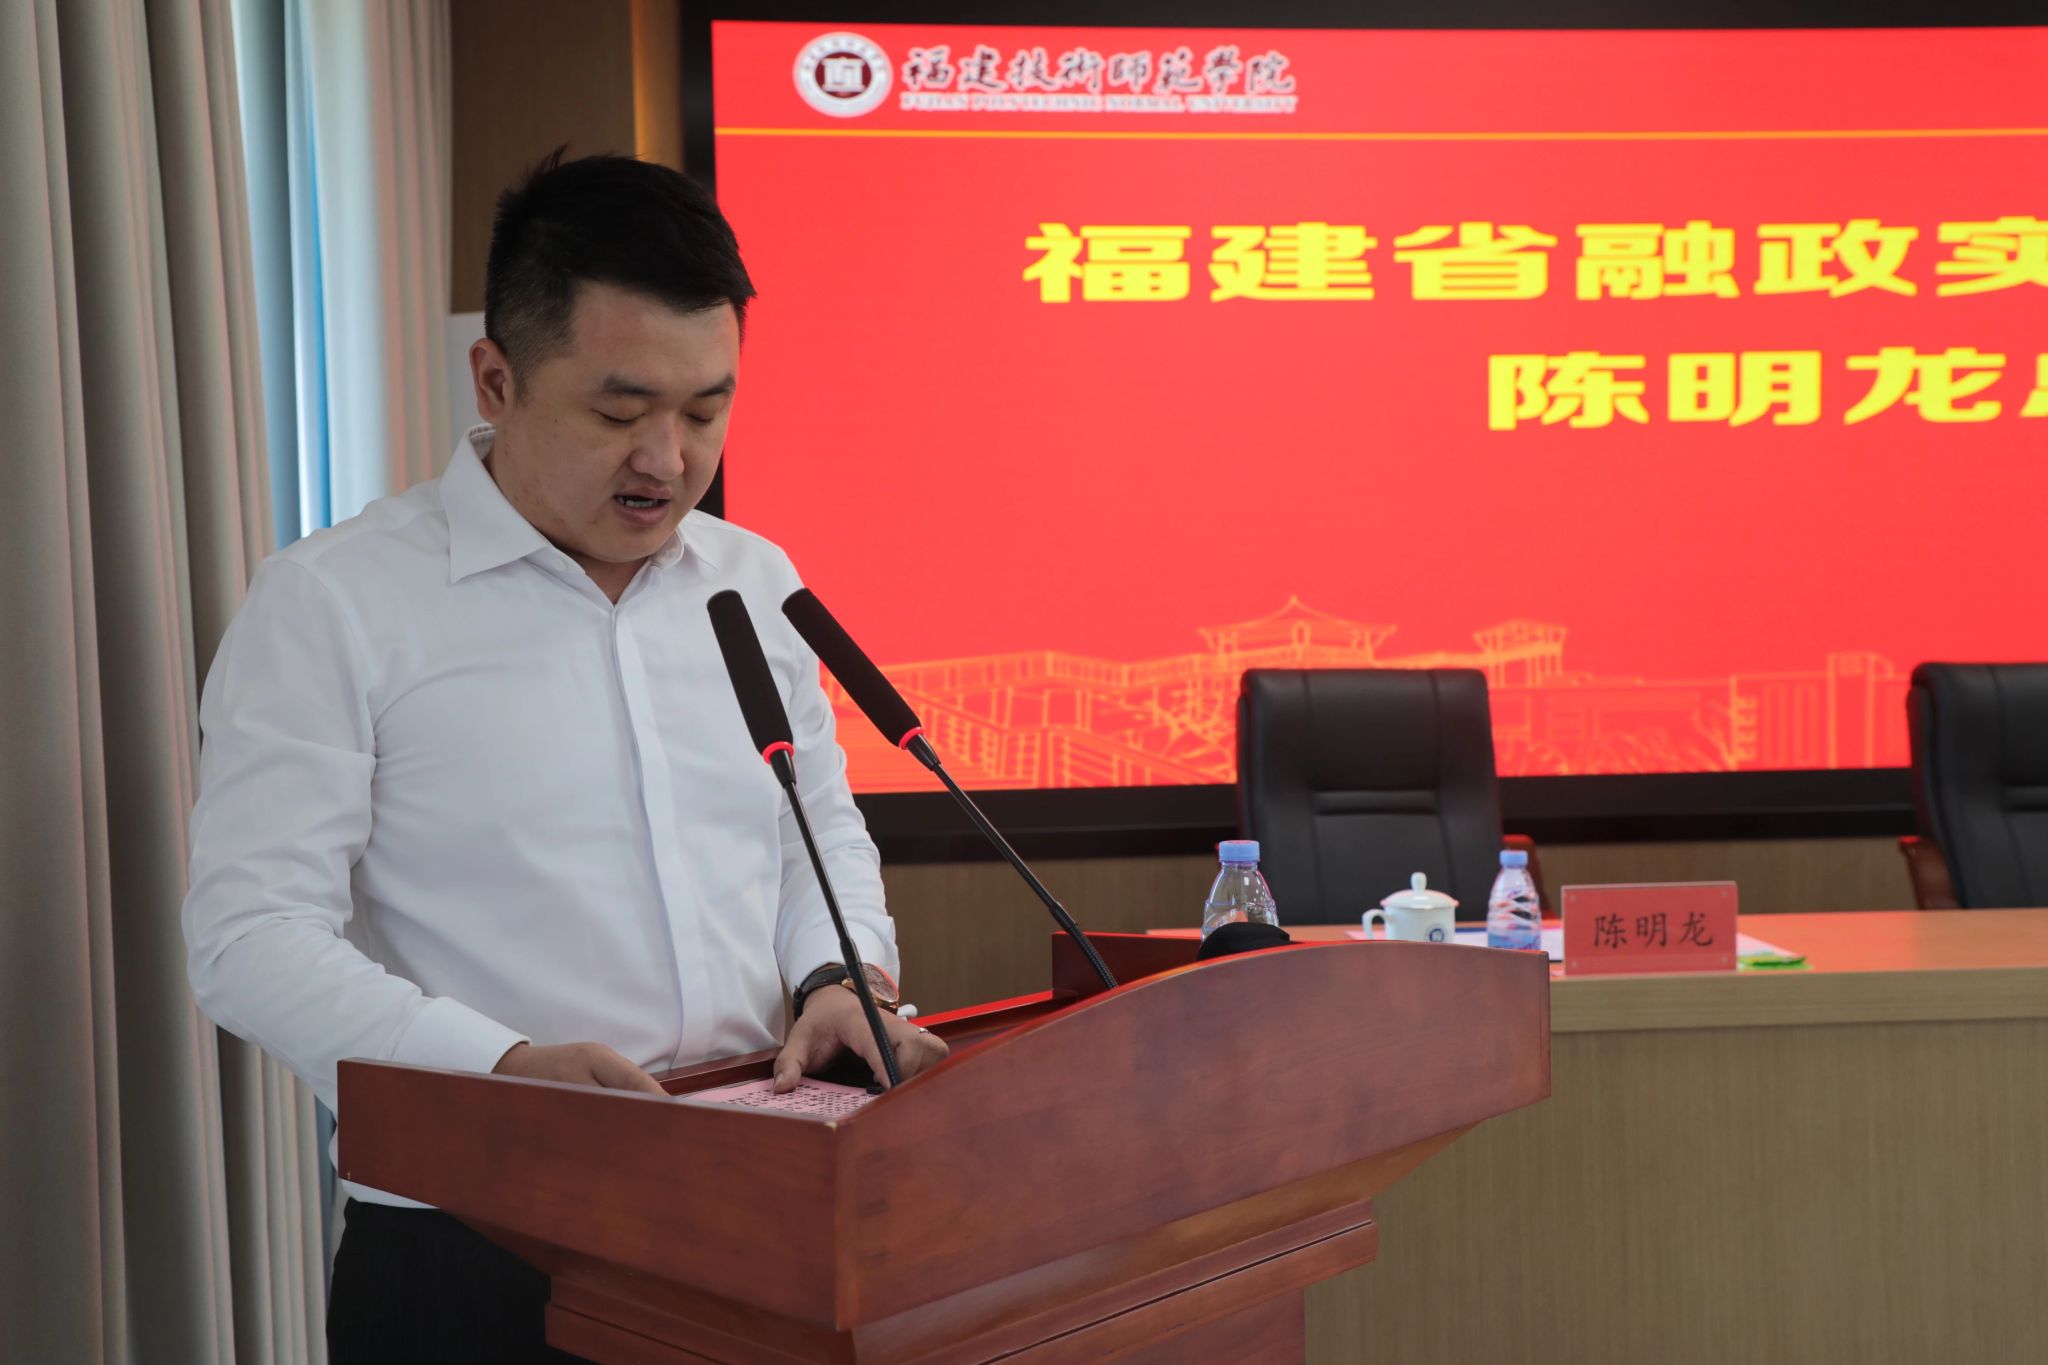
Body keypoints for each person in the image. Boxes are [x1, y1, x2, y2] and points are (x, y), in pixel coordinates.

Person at [181, 150, 947, 1364]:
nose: (668, 459)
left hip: (761, 1196)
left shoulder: (753, 581)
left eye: (705, 410)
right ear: (496, 379)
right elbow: (248, 937)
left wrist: (837, 979)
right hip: (478, 1236)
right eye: (618, 412)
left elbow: (811, 829)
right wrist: (502, 1068)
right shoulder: (335, 603)